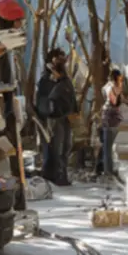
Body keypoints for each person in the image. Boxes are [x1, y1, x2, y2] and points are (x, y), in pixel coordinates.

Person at [35, 47, 76, 187]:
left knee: (65, 148)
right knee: (55, 149)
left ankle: (61, 175)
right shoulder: (46, 81)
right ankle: (53, 176)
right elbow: (44, 100)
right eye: (58, 58)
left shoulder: (64, 80)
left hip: (64, 117)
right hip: (53, 118)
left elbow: (71, 97)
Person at [99, 69, 124, 179]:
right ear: (117, 77)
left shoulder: (107, 86)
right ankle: (107, 171)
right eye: (120, 77)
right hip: (111, 117)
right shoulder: (112, 87)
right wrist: (118, 91)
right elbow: (114, 101)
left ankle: (106, 168)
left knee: (107, 145)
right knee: (108, 146)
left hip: (109, 116)